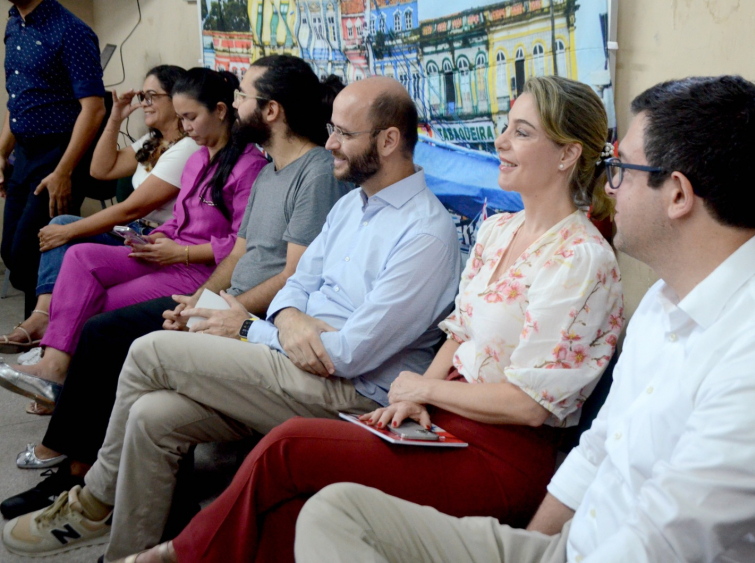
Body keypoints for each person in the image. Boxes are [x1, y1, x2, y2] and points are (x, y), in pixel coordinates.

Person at [289, 75, 755, 563]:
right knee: (334, 514)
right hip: (573, 547)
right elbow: (598, 453)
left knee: (296, 459)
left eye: (622, 169)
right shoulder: (664, 301)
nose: (609, 186)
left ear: (677, 194)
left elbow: (664, 543)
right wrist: (530, 547)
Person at [116, 75, 626, 563]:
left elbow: (530, 405)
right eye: (505, 126)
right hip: (433, 420)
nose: (501, 142)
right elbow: (459, 334)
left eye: (522, 132)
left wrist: (421, 391)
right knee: (289, 503)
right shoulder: (498, 230)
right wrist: (413, 398)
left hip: (498, 454)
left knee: (286, 447)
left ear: (568, 154)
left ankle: (172, 553)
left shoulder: (580, 257)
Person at [1, 76, 461, 560]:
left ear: (389, 141)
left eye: (344, 133)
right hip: (293, 357)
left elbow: (347, 355)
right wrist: (290, 321)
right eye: (331, 129)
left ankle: (93, 499)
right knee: (151, 416)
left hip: (350, 393)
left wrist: (250, 326)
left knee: (148, 348)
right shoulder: (352, 205)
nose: (331, 143)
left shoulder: (425, 232)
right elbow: (296, 286)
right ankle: (125, 550)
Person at [0, 55, 348, 519]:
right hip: (223, 301)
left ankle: (82, 474)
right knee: (102, 325)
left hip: (255, 317)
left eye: (243, 95)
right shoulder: (270, 170)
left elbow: (292, 277)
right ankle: (82, 467)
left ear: (271, 111)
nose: (235, 100)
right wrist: (199, 299)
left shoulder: (315, 171)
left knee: (108, 336)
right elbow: (240, 254)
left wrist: (222, 310)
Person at [0, 68, 267, 409]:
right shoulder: (197, 157)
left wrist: (181, 252)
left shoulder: (249, 167)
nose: (186, 128)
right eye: (182, 119)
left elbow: (239, 245)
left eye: (191, 118)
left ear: (220, 110)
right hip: (167, 253)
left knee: (96, 310)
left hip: (199, 271)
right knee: (80, 257)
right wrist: (153, 240)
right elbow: (180, 219)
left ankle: (63, 380)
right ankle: (54, 365)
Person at [0, 65, 198, 366]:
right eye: (143, 95)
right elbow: (101, 170)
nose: (144, 102)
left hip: (153, 237)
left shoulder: (187, 149)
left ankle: (48, 337)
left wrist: (72, 232)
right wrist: (115, 117)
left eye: (152, 96)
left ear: (177, 99)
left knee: (66, 232)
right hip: (132, 230)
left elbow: (135, 207)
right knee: (61, 223)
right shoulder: (153, 142)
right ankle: (43, 317)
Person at [0, 0, 107, 318]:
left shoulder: (71, 30)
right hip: (24, 154)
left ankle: (46, 335)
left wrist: (64, 171)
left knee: (32, 253)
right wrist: (2, 152)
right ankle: (38, 331)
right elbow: (18, 96)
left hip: (60, 156)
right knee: (11, 252)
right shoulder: (13, 25)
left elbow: (95, 108)